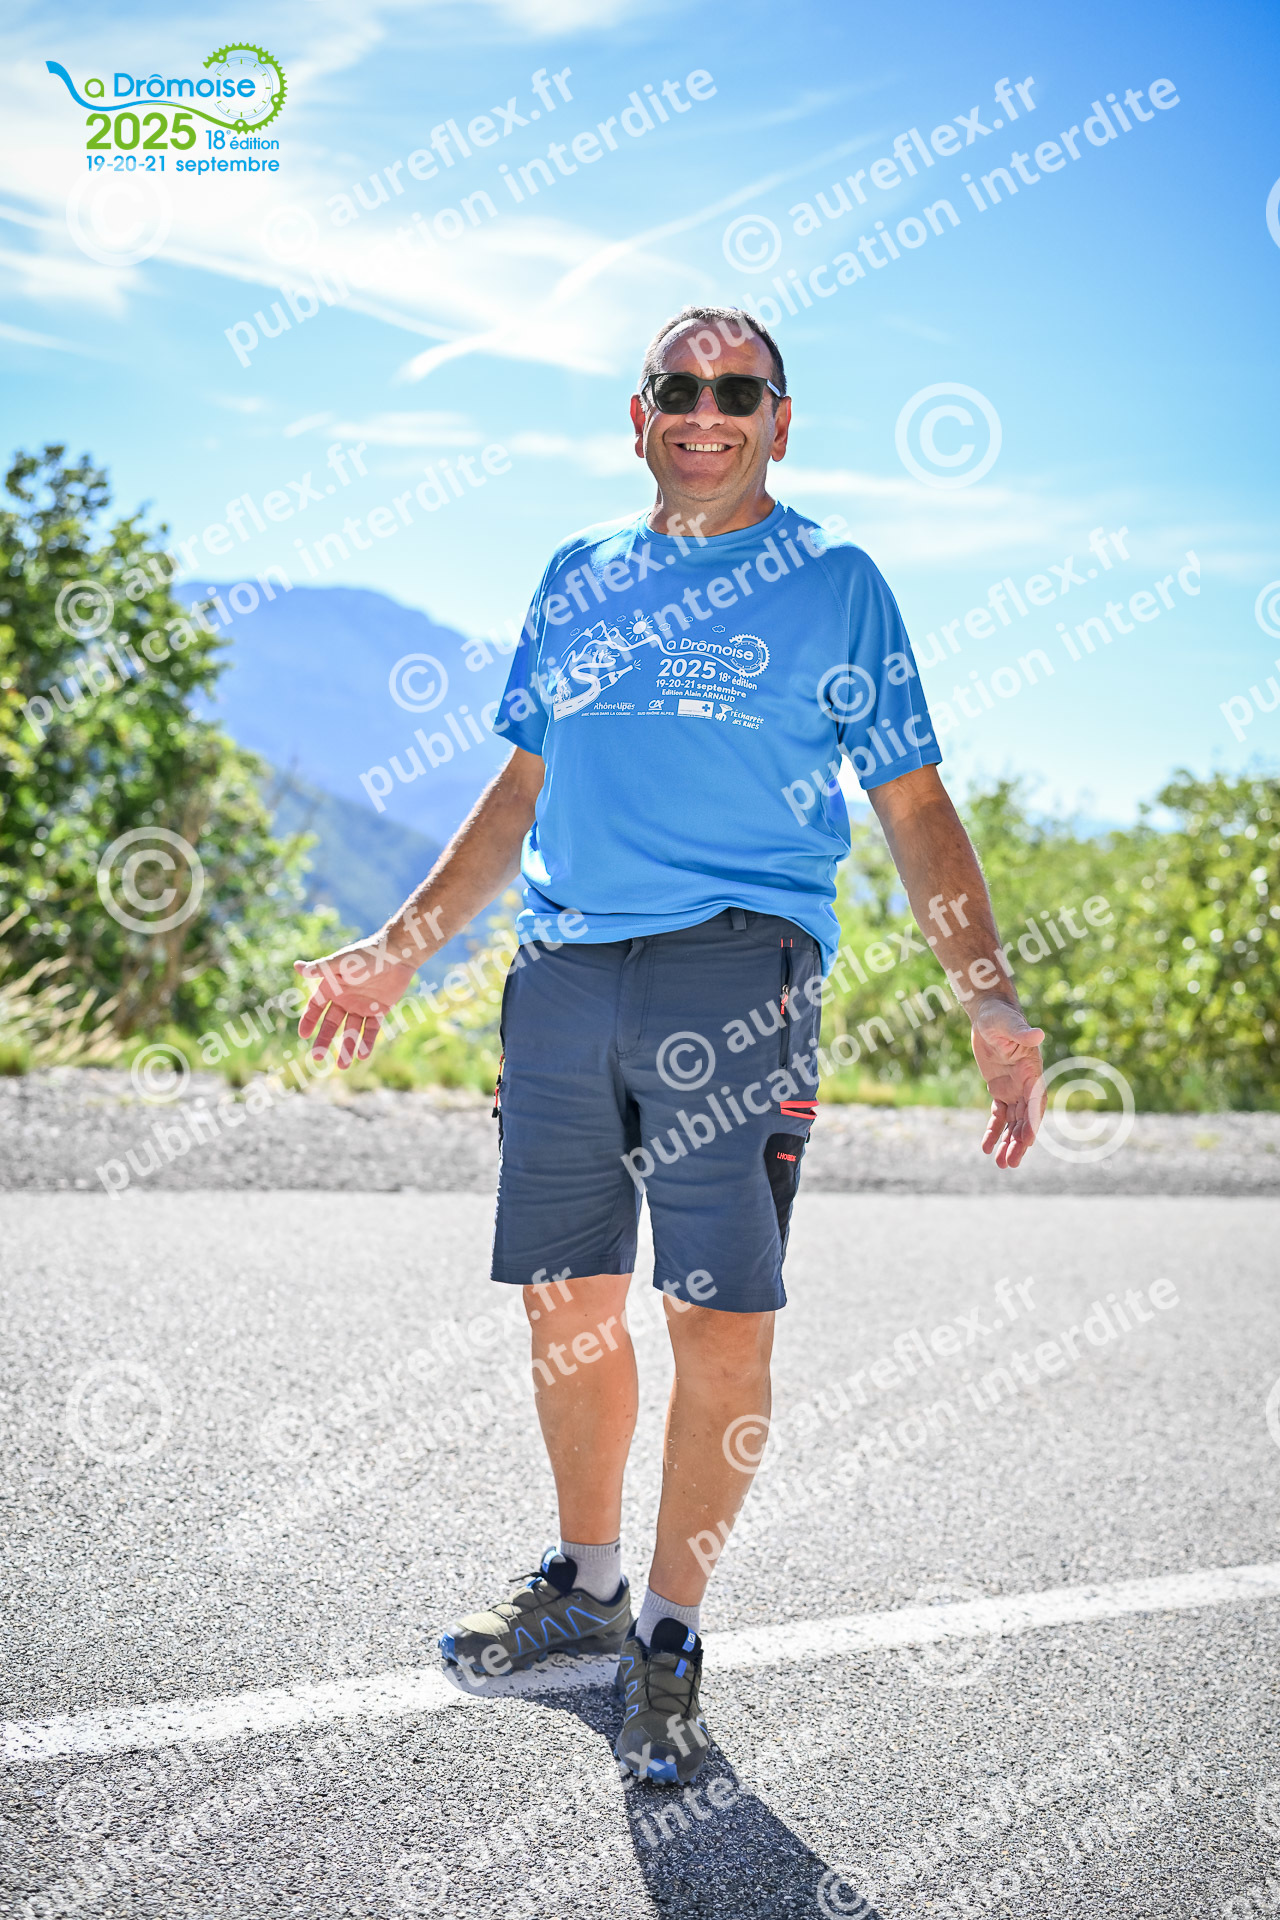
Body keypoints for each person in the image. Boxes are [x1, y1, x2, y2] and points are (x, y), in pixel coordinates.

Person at [294, 304, 1045, 1786]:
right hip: (565, 973)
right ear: (638, 416)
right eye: (680, 388)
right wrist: (397, 951)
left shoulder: (837, 583)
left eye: (737, 391)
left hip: (738, 971)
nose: (708, 412)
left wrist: (987, 996)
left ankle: (673, 1632)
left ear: (781, 420)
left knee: (720, 1318)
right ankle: (588, 1583)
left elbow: (911, 801)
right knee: (566, 1305)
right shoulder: (578, 574)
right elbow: (521, 789)